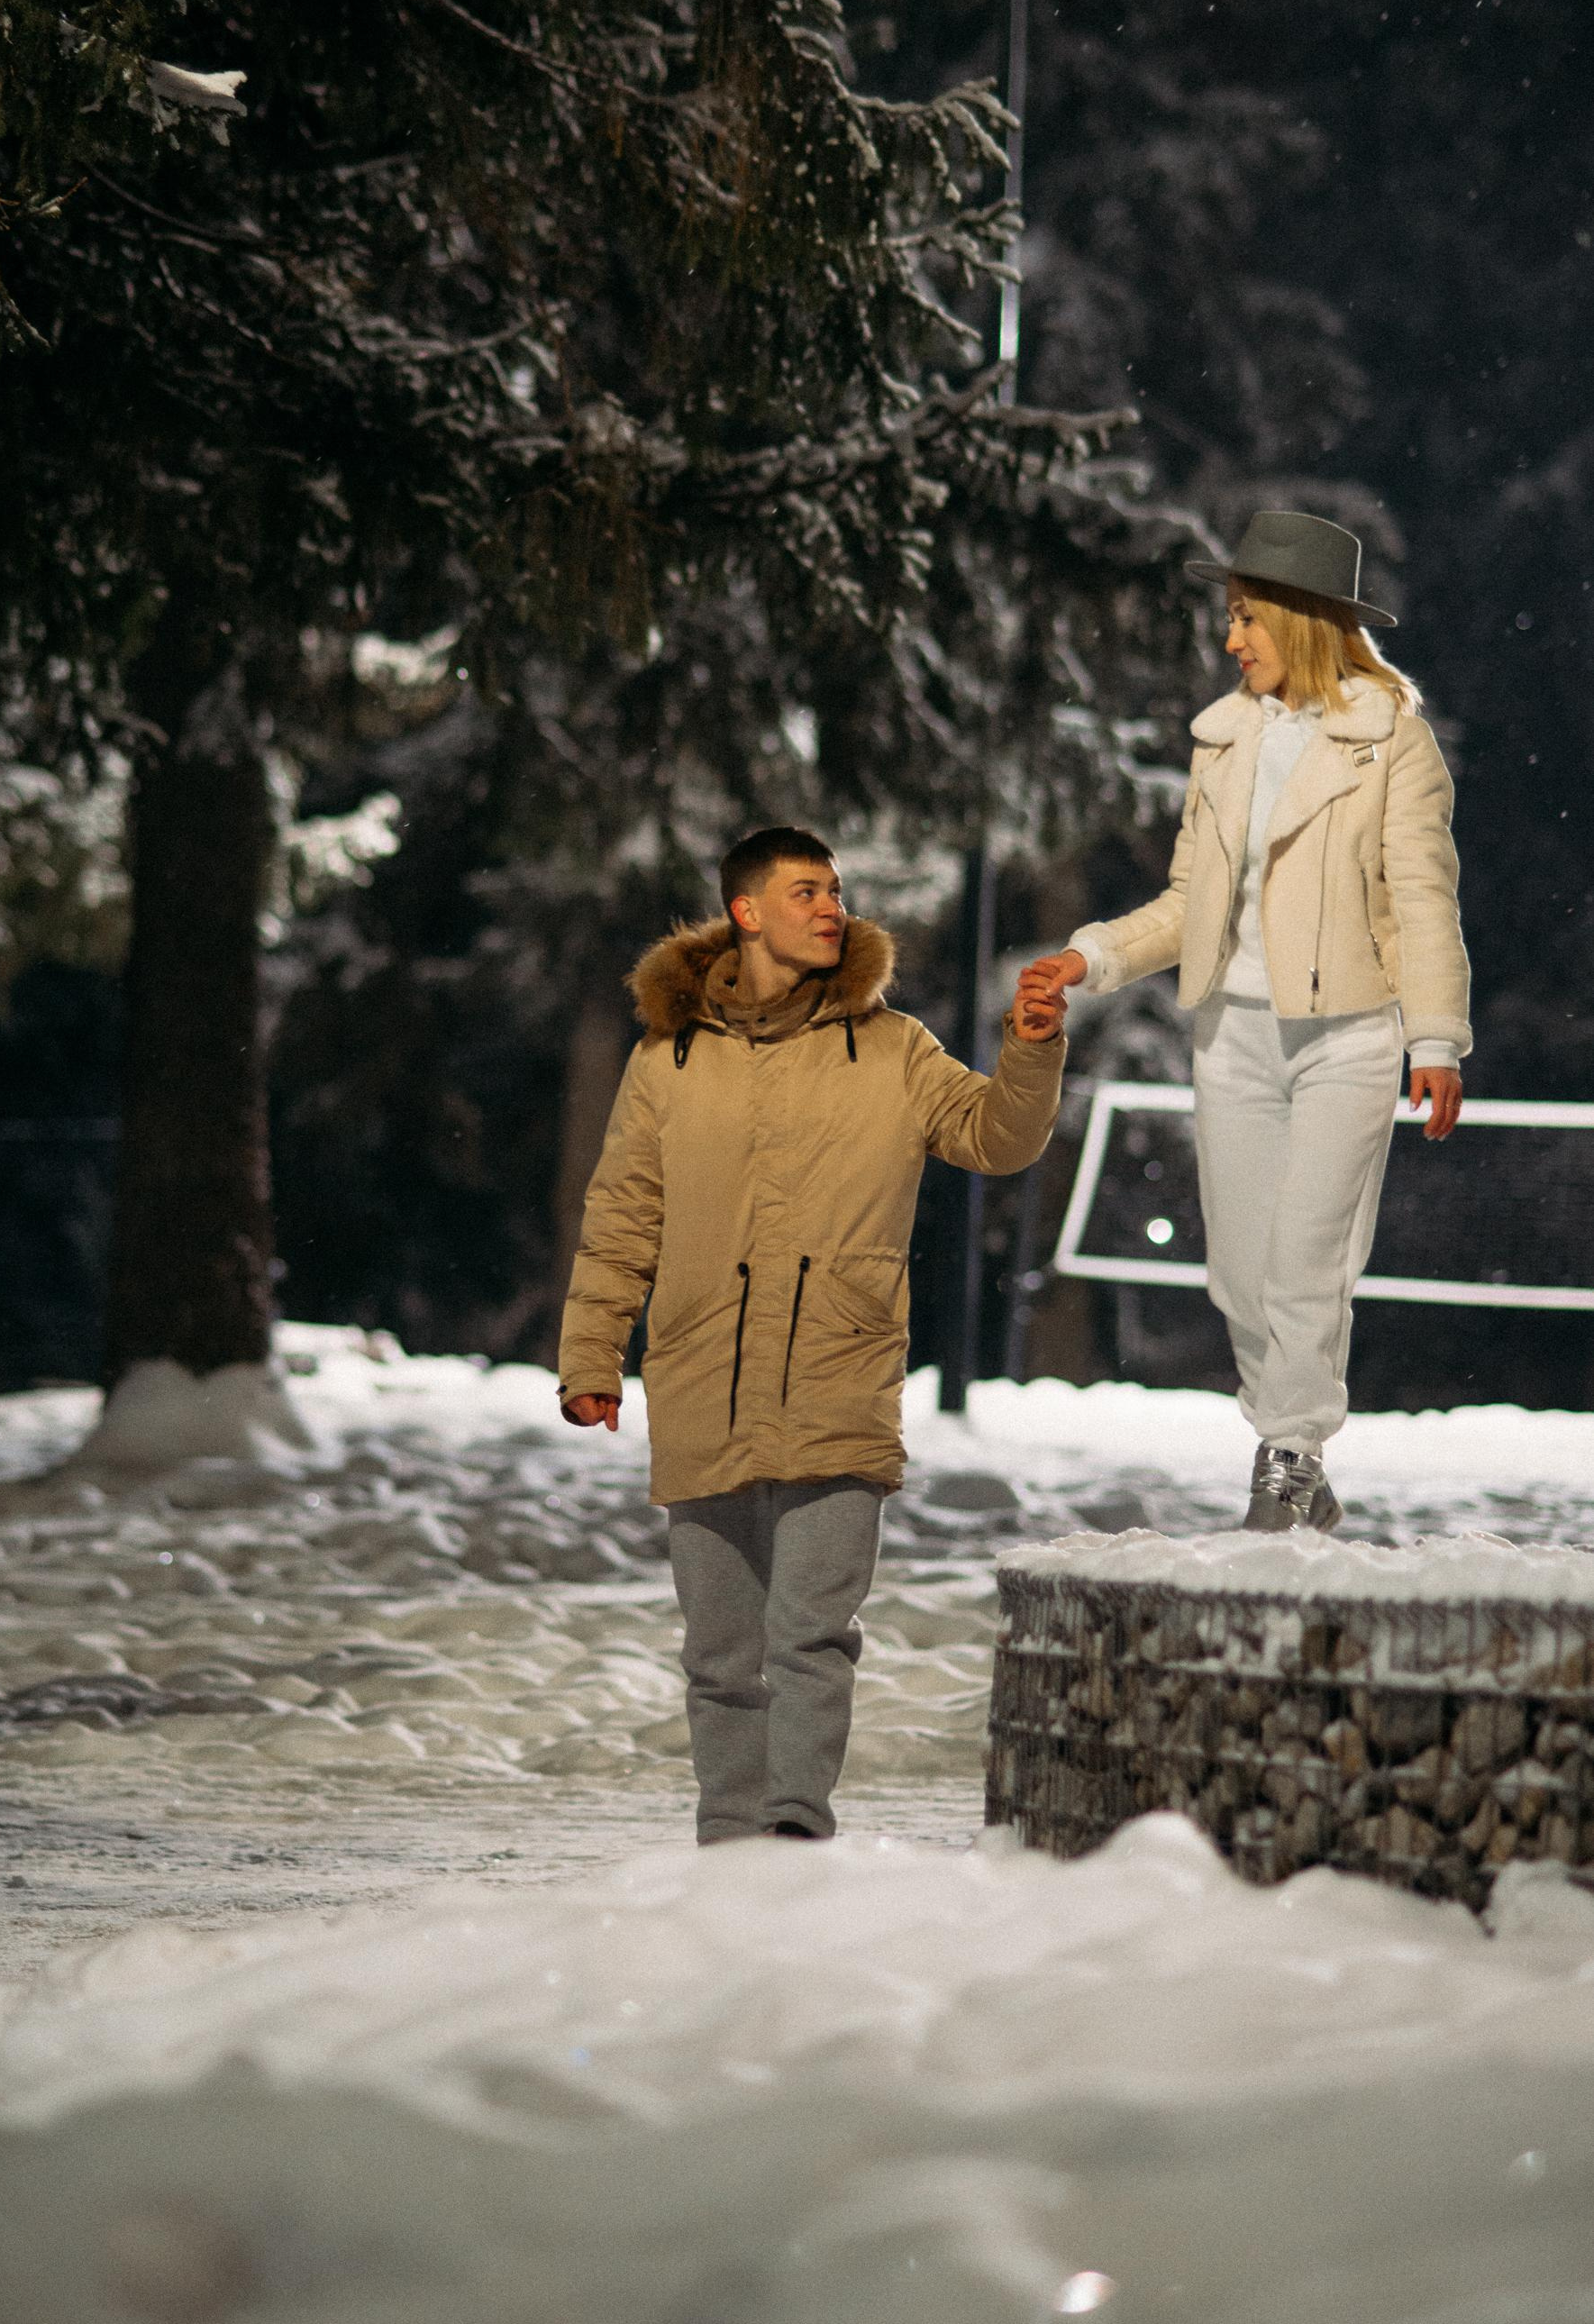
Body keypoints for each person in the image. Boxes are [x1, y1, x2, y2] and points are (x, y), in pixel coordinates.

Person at [557, 825, 1066, 1844]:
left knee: (810, 1636)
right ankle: (729, 1845)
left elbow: (996, 1138)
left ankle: (793, 1835)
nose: (832, 908)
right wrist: (591, 1356)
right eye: (806, 892)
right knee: (719, 1654)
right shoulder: (668, 1059)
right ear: (745, 912)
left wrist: (1031, 1048)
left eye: (835, 891)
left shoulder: (893, 1047)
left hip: (841, 1373)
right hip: (704, 1374)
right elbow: (622, 1216)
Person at [1022, 508, 1471, 1534]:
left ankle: (1290, 1456)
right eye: (1229, 618)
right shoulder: (1223, 743)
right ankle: (1296, 1455)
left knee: (1309, 1260)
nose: (1230, 639)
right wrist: (1089, 957)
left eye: (1245, 617)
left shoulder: (1392, 743)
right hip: (1231, 1032)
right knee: (1238, 1275)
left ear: (1301, 618)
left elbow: (1421, 900)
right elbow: (1190, 903)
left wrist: (1435, 1039)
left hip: (1348, 1035)